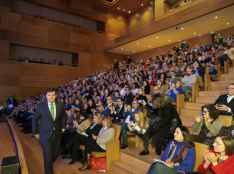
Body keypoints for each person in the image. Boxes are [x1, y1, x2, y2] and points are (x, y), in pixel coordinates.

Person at [33, 88, 66, 174]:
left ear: (55, 96)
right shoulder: (41, 106)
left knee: (55, 153)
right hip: (44, 135)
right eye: (49, 95)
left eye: (52, 95)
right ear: (46, 96)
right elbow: (34, 119)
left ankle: (49, 162)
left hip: (57, 134)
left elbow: (64, 116)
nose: (51, 97)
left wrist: (63, 127)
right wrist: (35, 132)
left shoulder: (60, 105)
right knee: (47, 156)